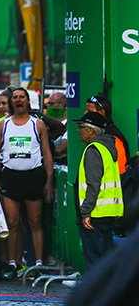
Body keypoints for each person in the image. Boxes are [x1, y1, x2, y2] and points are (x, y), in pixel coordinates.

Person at [0, 87, 53, 278]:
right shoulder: (3, 125)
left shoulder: (37, 124)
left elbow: (47, 153)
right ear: (11, 103)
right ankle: (13, 263)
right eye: (14, 98)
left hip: (33, 176)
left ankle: (38, 263)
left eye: (21, 97)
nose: (18, 100)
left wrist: (49, 181)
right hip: (11, 176)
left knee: (34, 221)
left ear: (28, 101)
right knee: (12, 222)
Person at [68, 111, 123, 283]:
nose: (78, 130)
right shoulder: (108, 148)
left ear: (91, 130)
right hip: (108, 212)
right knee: (105, 260)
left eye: (81, 127)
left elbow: (93, 184)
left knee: (94, 263)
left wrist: (85, 213)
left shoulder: (93, 150)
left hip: (95, 214)